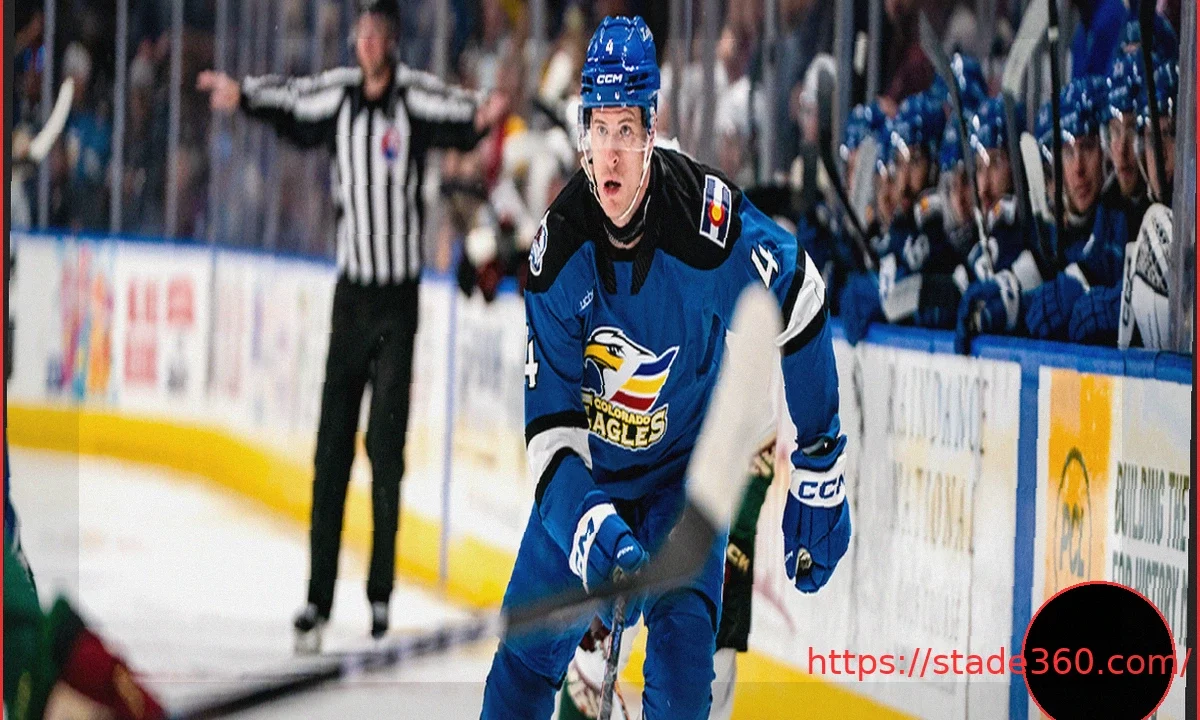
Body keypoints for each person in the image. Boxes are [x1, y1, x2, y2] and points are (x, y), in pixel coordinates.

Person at [480, 15, 851, 719]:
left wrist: (821, 463)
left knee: (681, 694)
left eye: (627, 129)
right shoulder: (557, 253)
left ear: (653, 130)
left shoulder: (706, 224)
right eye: (599, 128)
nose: (611, 153)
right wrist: (592, 529)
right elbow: (551, 439)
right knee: (522, 671)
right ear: (582, 133)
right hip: (592, 482)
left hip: (683, 488)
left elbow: (801, 295)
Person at [196, 0, 508, 652]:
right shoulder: (339, 96)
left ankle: (380, 595)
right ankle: (316, 600)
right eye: (362, 32)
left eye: (379, 33)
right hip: (351, 300)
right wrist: (242, 95)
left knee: (386, 451)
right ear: (356, 38)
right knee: (330, 450)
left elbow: (460, 115)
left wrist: (487, 112)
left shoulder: (413, 97)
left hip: (397, 302)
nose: (369, 42)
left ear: (392, 40)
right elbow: (292, 103)